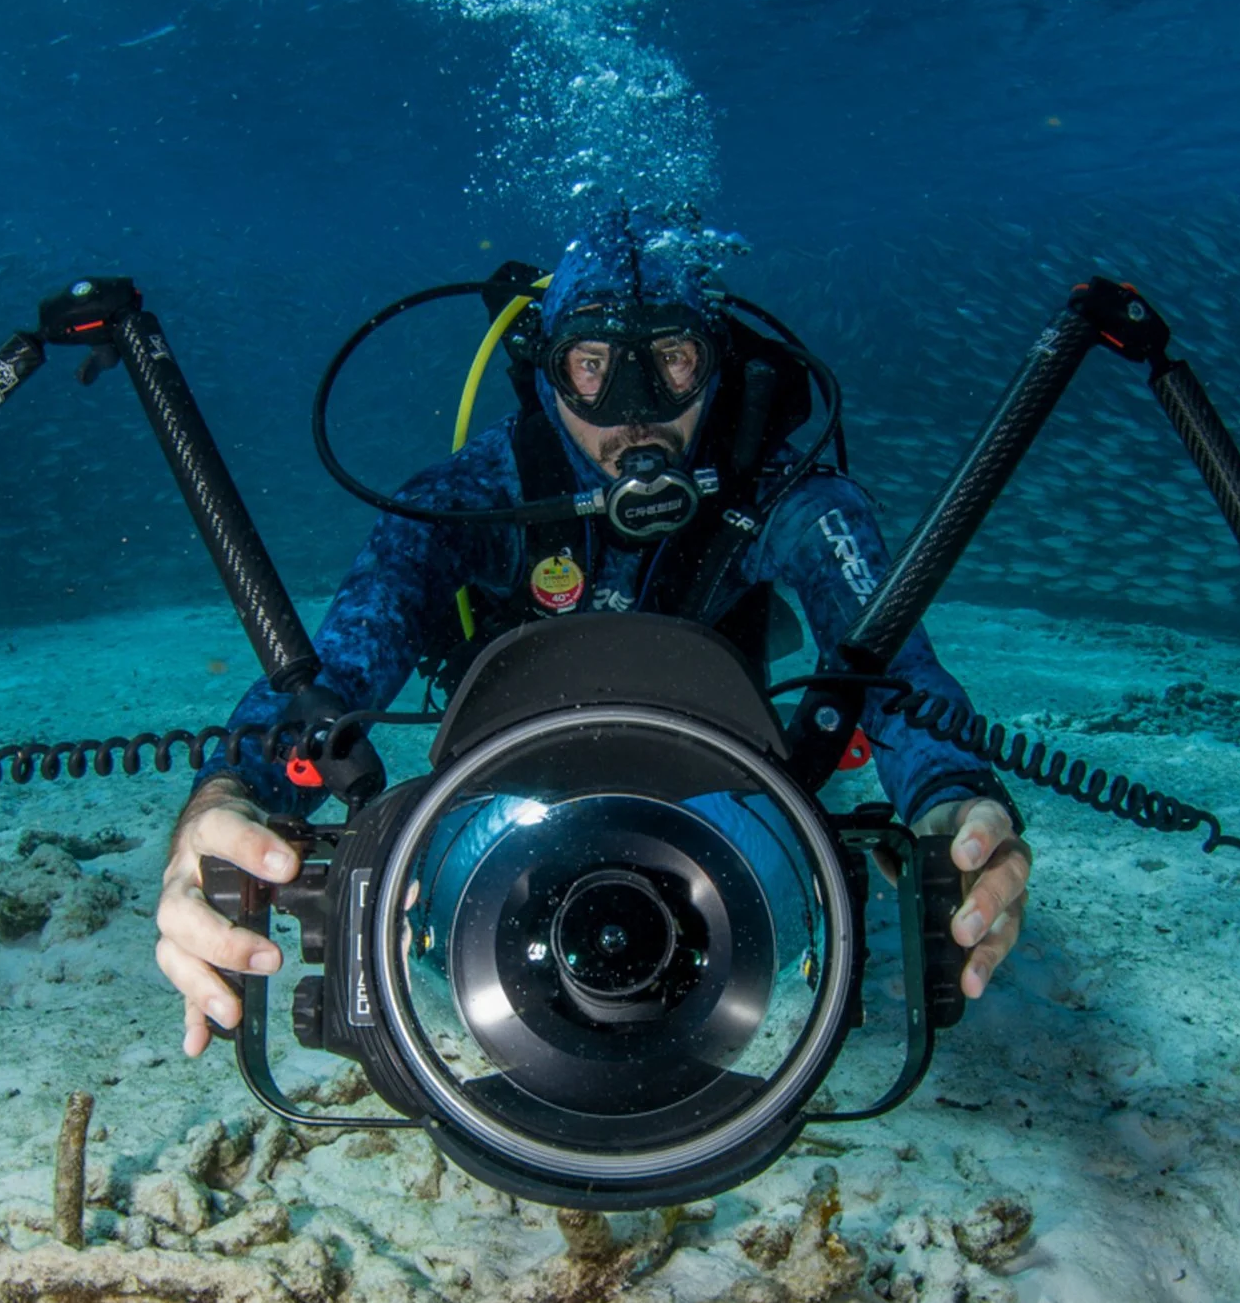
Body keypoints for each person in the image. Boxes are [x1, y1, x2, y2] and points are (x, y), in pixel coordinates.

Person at [156, 211, 1032, 1058]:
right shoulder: (474, 495)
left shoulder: (789, 497)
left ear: (715, 367)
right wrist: (233, 794)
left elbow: (892, 665)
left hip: (715, 771)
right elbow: (343, 660)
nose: (634, 414)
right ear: (546, 371)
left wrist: (950, 795)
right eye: (592, 366)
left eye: (673, 363)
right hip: (517, 774)